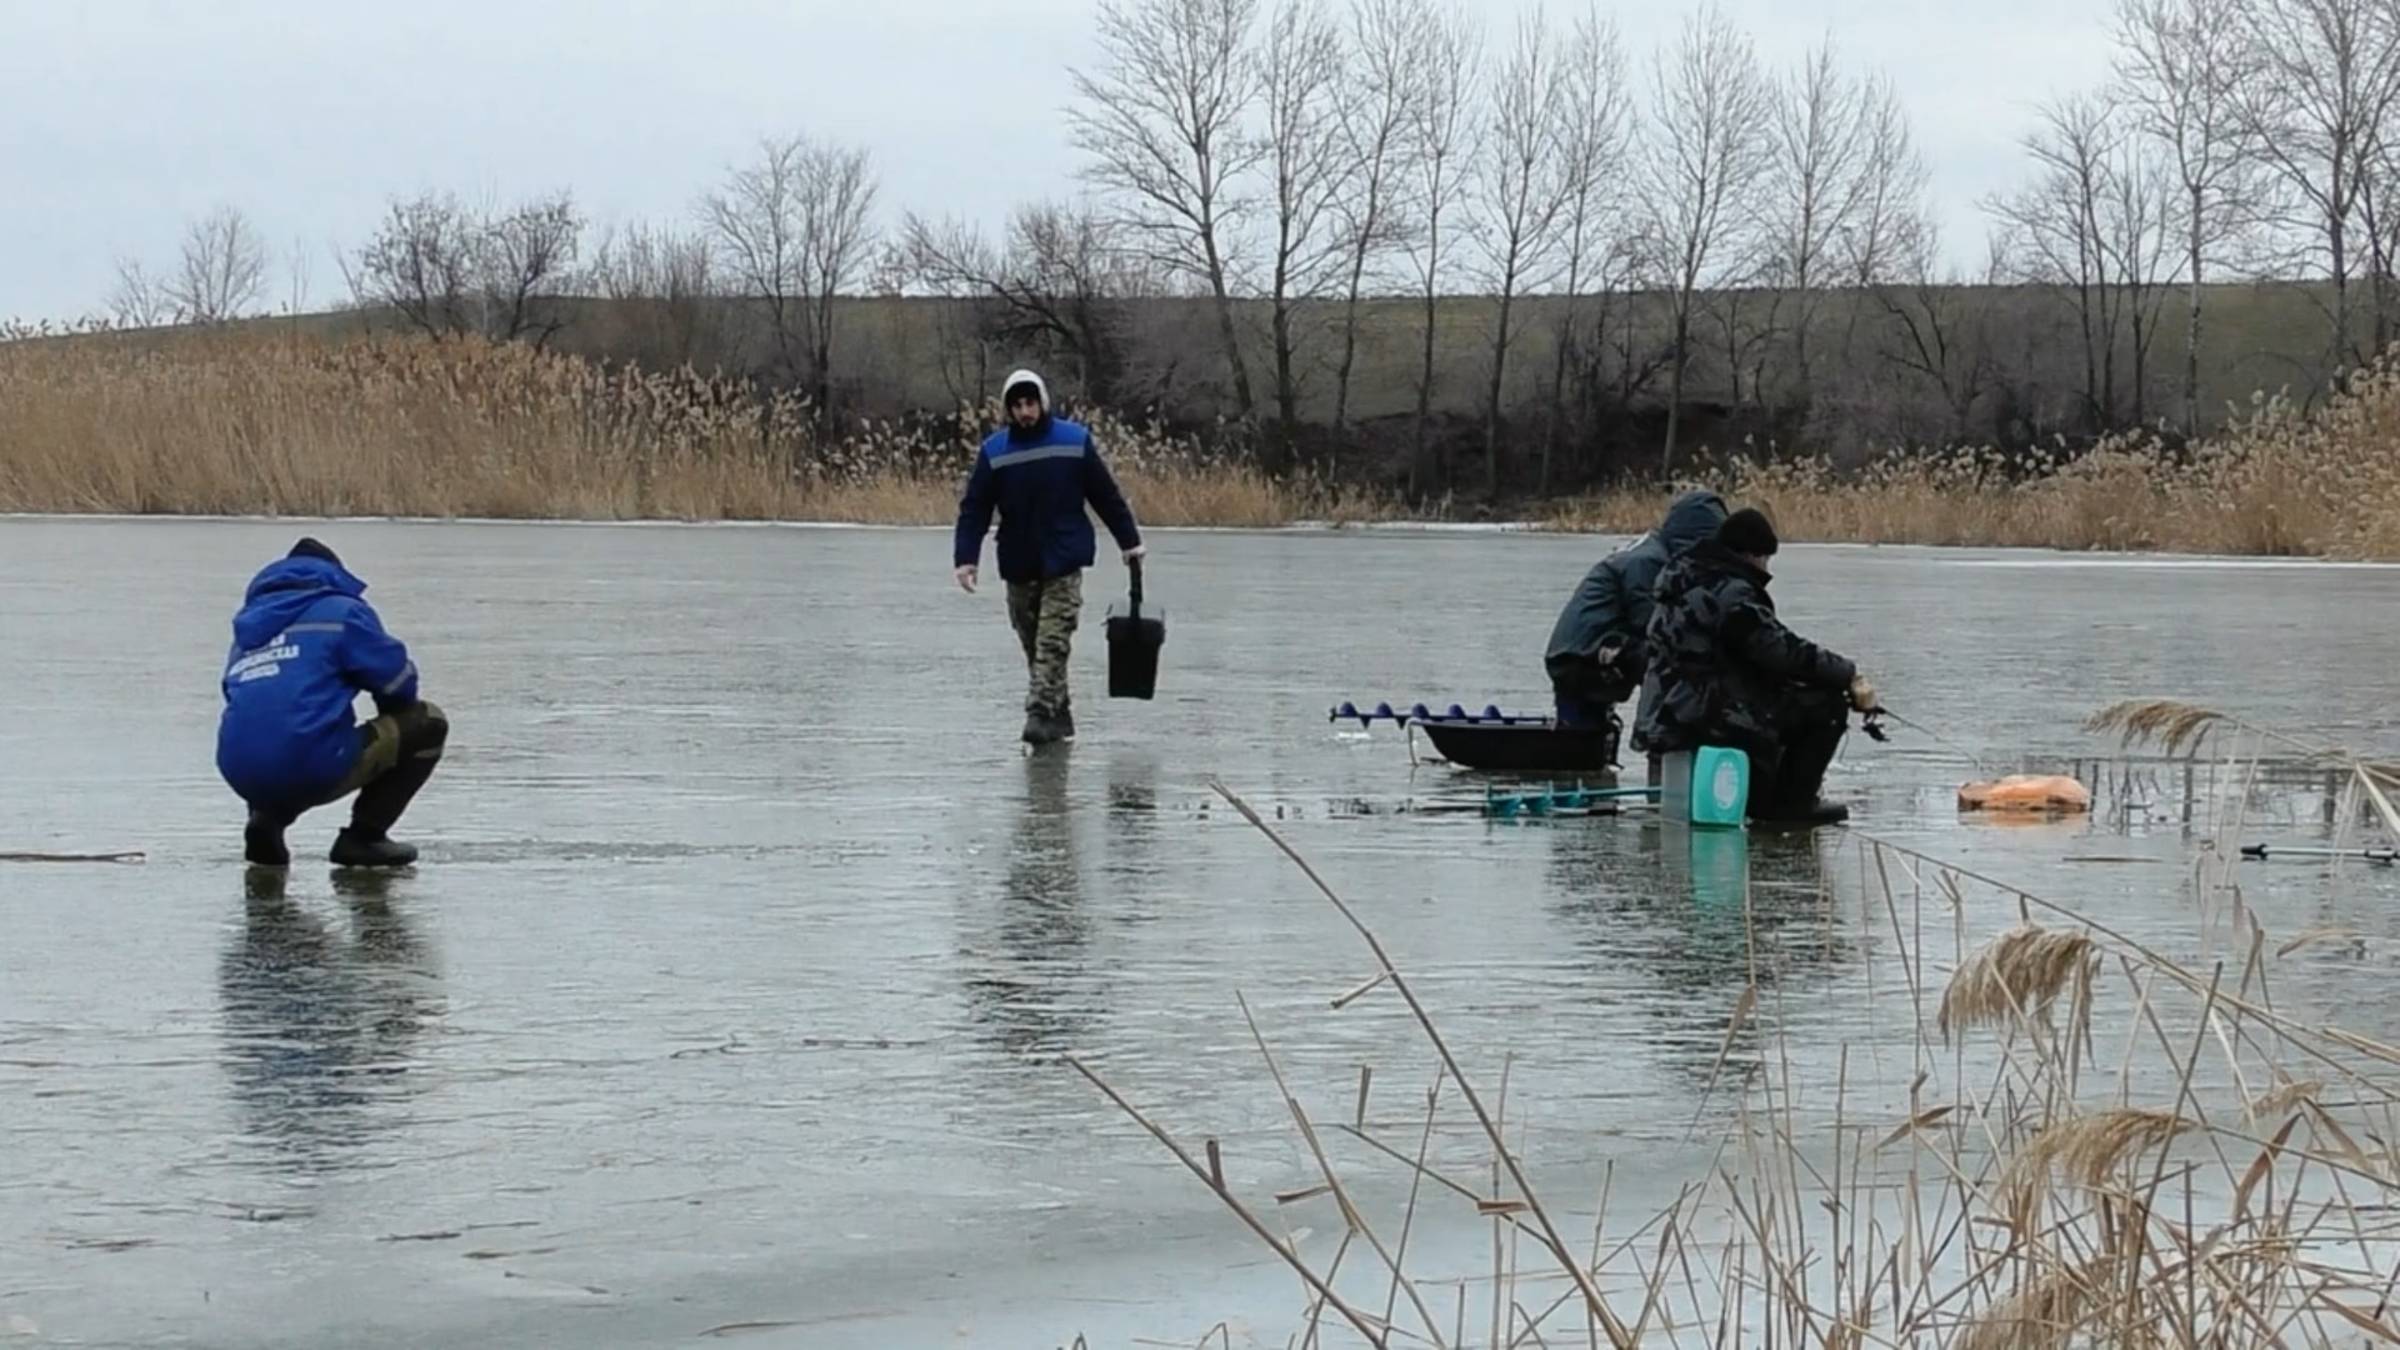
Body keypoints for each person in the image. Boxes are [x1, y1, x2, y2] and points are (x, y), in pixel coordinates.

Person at [216, 537, 449, 868]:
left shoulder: (249, 628)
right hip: (308, 762)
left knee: (270, 731)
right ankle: (364, 838)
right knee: (428, 722)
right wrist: (390, 712)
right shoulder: (343, 612)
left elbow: (250, 702)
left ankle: (267, 818)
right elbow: (396, 682)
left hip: (238, 769)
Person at [1638, 508, 1879, 826]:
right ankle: (1791, 805)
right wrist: (1847, 674)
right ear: (1750, 554)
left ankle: (1765, 791)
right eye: (1765, 559)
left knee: (1786, 694)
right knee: (1827, 704)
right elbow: (1781, 651)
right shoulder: (1731, 591)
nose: (1766, 567)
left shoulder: (1681, 578)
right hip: (1705, 714)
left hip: (1666, 710)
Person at [953, 369, 1146, 745]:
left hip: (1064, 558)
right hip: (1018, 559)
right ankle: (1059, 714)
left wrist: (1130, 543)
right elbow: (975, 507)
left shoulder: (1073, 441)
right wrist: (966, 558)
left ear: (1042, 402)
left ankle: (1040, 713)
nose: (1025, 412)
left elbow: (1105, 495)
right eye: (1017, 406)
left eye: (1030, 403)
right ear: (1008, 410)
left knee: (1052, 642)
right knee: (1033, 644)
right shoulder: (995, 451)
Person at [1542, 488, 1726, 769]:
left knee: (1586, 740)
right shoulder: (1649, 563)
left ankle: (1589, 754)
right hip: (1584, 657)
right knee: (1671, 666)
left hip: (1581, 651)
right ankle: (1666, 739)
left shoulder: (1650, 549)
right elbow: (1656, 627)